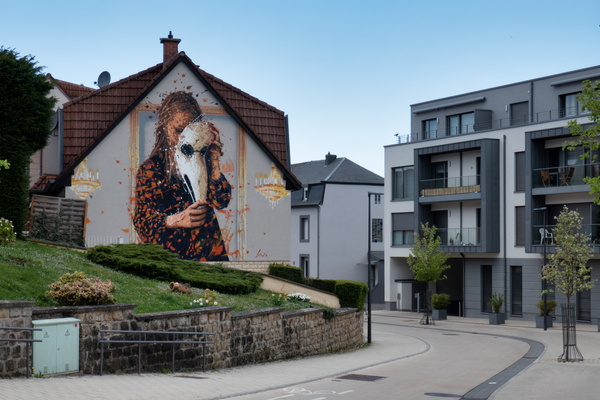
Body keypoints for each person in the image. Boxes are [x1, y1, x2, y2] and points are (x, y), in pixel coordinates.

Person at [133, 91, 231, 260]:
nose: (183, 139)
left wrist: (214, 159)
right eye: (178, 130)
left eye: (189, 131)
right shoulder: (151, 169)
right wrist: (175, 220)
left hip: (209, 257)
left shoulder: (203, 159)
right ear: (165, 126)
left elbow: (221, 200)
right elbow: (142, 221)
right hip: (171, 257)